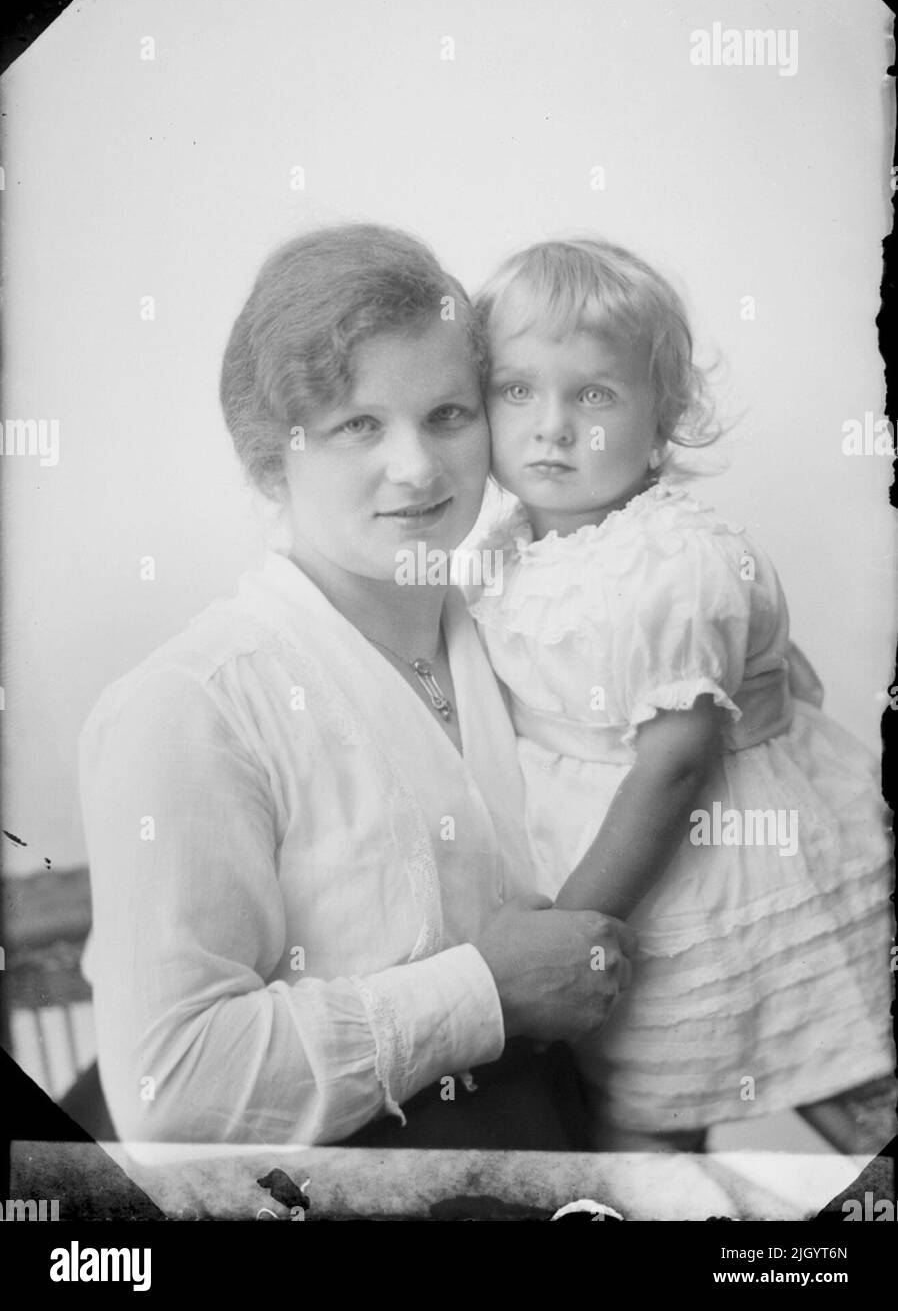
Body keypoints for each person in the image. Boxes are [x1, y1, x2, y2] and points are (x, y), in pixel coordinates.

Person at [77, 224, 635, 1148]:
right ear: (270, 456)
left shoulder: (529, 631)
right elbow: (168, 1085)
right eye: (357, 425)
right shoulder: (192, 706)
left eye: (449, 415)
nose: (417, 468)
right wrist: (482, 992)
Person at [466, 237, 896, 1153]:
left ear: (664, 414)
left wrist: (577, 926)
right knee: (644, 1128)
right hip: (613, 874)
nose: (551, 425)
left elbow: (672, 767)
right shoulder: (501, 551)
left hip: (711, 867)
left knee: (839, 1075)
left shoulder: (671, 558)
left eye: (594, 393)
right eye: (516, 390)